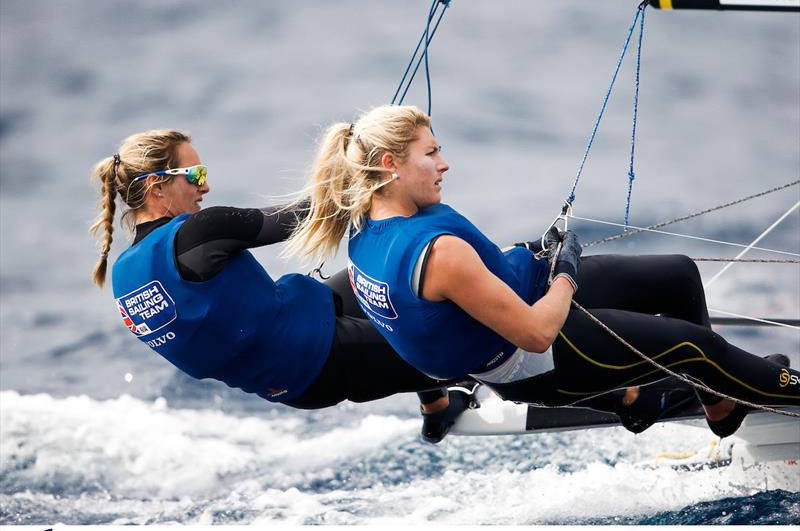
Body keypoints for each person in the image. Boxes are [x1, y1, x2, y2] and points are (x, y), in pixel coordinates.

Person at [284, 104, 799, 438]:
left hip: (524, 288)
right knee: (695, 348)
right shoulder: (436, 253)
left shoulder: (366, 226)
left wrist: (533, 251)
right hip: (540, 358)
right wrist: (566, 273)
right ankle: (755, 384)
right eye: (431, 152)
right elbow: (534, 332)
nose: (445, 164)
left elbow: (428, 315)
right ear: (390, 164)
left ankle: (718, 405)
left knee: (678, 276)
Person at [89, 129, 474, 444]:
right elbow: (312, 214)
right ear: (157, 188)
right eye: (196, 176)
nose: (205, 187)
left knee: (386, 282)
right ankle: (519, 370)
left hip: (295, 357)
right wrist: (370, 172)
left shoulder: (123, 276)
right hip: (325, 359)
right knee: (467, 340)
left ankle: (436, 410)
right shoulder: (198, 234)